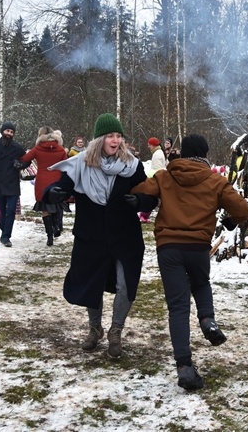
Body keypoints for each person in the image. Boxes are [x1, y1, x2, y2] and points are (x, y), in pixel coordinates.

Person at [131, 134, 248, 390]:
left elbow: (141, 193)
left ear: (182, 153)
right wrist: (228, 222)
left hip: (169, 248)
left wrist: (140, 197)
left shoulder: (164, 176)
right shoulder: (215, 181)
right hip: (197, 247)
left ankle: (184, 366)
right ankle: (207, 319)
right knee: (201, 284)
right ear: (206, 154)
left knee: (178, 307)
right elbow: (242, 209)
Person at [43, 113, 157, 358]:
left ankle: (116, 330)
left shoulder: (132, 166)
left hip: (125, 235)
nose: (116, 141)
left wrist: (139, 200)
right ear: (99, 139)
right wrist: (53, 193)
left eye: (119, 136)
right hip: (91, 235)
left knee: (126, 284)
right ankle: (95, 329)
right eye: (110, 136)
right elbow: (61, 186)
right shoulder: (81, 164)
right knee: (90, 284)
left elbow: (150, 193)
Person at [18, 126, 68, 246]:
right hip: (57, 180)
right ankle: (57, 227)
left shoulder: (37, 148)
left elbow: (25, 159)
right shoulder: (60, 149)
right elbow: (66, 164)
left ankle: (49, 236)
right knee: (57, 205)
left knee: (45, 209)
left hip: (42, 181)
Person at [138, 137, 166, 223]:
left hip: (157, 179)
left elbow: (157, 169)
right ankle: (144, 215)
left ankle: (144, 215)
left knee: (150, 196)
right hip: (161, 178)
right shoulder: (160, 152)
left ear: (153, 145)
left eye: (149, 145)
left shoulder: (157, 154)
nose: (148, 147)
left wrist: (150, 177)